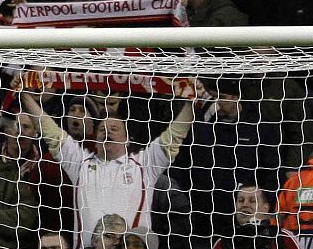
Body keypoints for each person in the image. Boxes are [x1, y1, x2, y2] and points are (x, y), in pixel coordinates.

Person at [19, 79, 198, 240]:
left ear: (127, 139)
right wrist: (23, 94)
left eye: (114, 128)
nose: (107, 131)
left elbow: (175, 135)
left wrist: (192, 102)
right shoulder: (80, 163)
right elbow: (49, 129)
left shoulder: (144, 163)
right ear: (95, 139)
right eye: (102, 129)